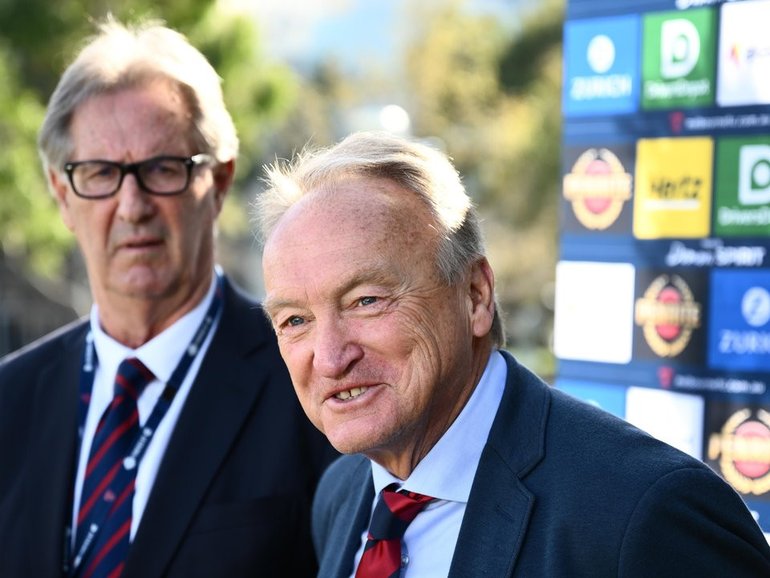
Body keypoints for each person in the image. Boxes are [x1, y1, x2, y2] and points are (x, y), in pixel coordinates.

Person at [254, 130, 770, 578]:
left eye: (366, 300)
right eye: (295, 320)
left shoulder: (645, 514)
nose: (328, 357)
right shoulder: (342, 493)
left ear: (476, 296)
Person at [0, 18, 336, 578]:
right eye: (101, 173)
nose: (132, 206)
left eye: (162, 169)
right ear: (63, 195)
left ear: (221, 182)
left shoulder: (310, 381)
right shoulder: (8, 403)